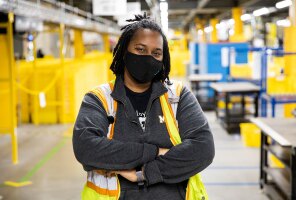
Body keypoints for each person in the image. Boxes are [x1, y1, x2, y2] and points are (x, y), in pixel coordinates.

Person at [73, 13, 215, 200]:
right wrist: (155, 151)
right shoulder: (99, 99)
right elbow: (86, 148)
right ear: (124, 52)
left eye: (156, 53)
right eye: (140, 49)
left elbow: (203, 148)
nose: (148, 58)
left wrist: (145, 173)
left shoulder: (178, 96)